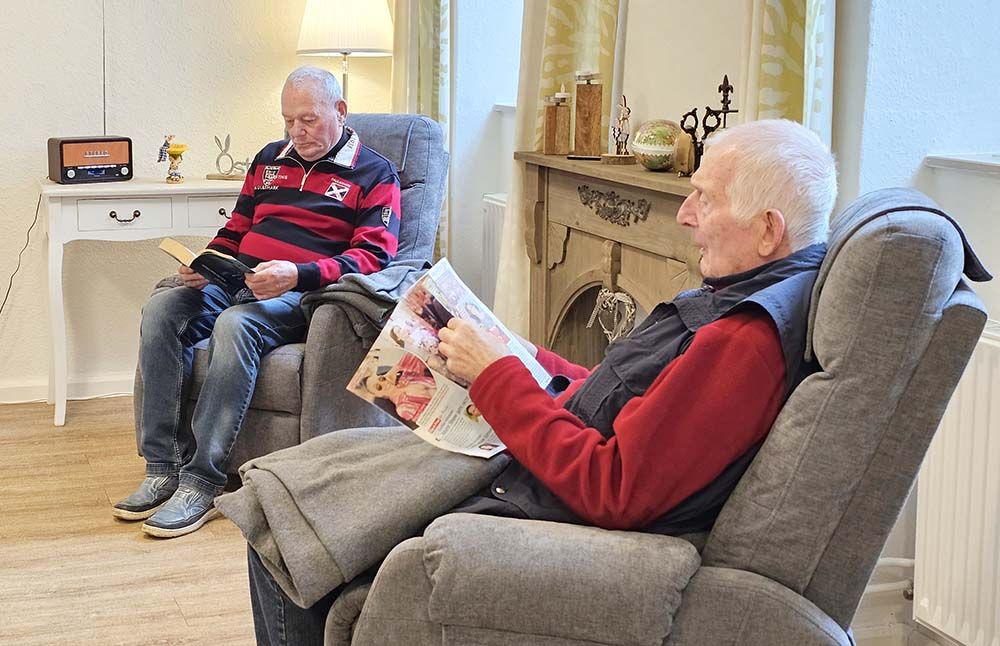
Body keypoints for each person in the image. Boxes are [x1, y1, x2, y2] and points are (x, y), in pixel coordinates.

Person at [245, 118, 838, 643]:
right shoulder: (744, 292)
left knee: (281, 510)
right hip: (536, 451)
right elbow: (625, 392)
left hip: (539, 497)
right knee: (304, 482)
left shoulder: (743, 343)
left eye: (704, 200)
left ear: (767, 229)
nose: (685, 215)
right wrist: (519, 354)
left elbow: (613, 487)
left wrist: (497, 375)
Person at [113, 66, 402, 538]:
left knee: (235, 324)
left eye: (307, 119)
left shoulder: (374, 173)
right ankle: (161, 466)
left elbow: (373, 258)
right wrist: (207, 261)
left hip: (300, 294)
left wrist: (297, 274)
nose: (297, 131)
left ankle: (202, 481)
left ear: (340, 111)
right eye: (288, 120)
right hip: (237, 278)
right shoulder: (269, 160)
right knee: (162, 309)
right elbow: (236, 228)